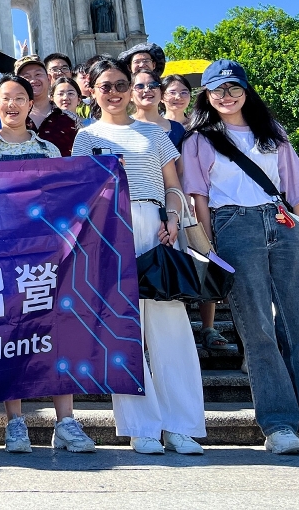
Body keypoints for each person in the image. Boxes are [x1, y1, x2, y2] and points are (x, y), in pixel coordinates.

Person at [180, 60, 299, 455]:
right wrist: (209, 244)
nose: (226, 96)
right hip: (233, 226)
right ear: (207, 95)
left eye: (234, 88)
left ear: (246, 90)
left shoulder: (271, 132)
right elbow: (198, 197)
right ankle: (278, 425)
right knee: (257, 332)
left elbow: (295, 188)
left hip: (282, 223)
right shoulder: (199, 139)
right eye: (218, 90)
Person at [72, 59, 205, 456]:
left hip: (155, 227)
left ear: (131, 89)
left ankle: (181, 425)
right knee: (124, 332)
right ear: (92, 92)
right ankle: (141, 427)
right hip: (111, 231)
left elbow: (173, 185)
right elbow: (81, 193)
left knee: (171, 329)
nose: (114, 93)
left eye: (120, 85)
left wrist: (174, 219)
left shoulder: (153, 133)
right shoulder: (86, 137)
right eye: (105, 86)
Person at [0, 74, 97, 454]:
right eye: (5, 98)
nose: (12, 104)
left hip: (44, 255)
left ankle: (66, 422)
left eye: (20, 98)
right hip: (0, 257)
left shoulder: (49, 150)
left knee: (55, 333)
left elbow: (63, 202)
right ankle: (15, 422)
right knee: (9, 337)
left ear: (30, 103)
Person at [14, 55, 79, 157]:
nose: (33, 80)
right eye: (26, 76)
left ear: (48, 78)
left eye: (38, 74)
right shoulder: (11, 118)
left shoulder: (70, 119)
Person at [131, 72, 186, 150]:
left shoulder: (178, 128)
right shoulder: (122, 126)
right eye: (139, 86)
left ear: (161, 93)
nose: (147, 90)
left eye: (153, 85)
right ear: (130, 95)